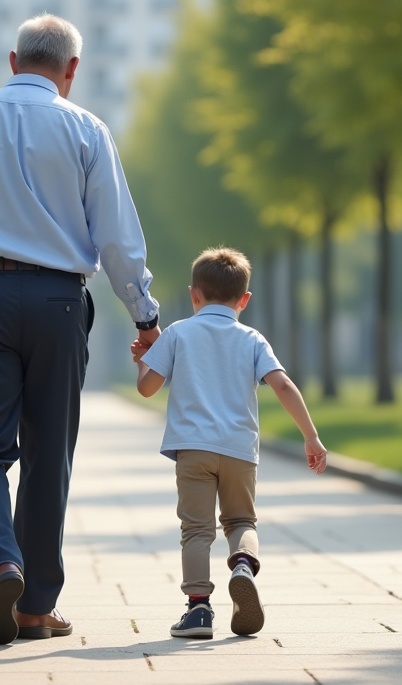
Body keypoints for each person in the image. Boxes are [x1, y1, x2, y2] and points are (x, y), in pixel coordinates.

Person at [0, 14, 161, 645]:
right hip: (60, 303)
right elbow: (119, 237)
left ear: (13, 61)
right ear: (71, 72)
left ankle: (0, 563)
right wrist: (145, 316)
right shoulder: (88, 129)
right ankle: (36, 607)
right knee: (49, 456)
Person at [131, 247, 327, 639]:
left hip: (193, 450)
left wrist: (145, 360)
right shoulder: (252, 338)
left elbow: (147, 389)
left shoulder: (177, 333)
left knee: (196, 530)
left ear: (193, 294)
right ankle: (242, 563)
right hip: (239, 450)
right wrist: (311, 437)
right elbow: (283, 385)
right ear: (245, 299)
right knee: (241, 521)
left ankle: (199, 611)